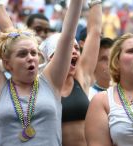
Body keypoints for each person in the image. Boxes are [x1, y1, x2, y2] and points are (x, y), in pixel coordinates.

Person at [0, 0, 83, 146]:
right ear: (7, 63)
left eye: (34, 53)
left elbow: (68, 35)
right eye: (22, 54)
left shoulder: (51, 81)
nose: (30, 58)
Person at [40, 1, 102, 145]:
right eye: (68, 48)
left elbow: (94, 32)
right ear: (51, 58)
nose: (74, 51)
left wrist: (95, 2)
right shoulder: (41, 85)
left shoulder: (81, 77)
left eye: (76, 47)